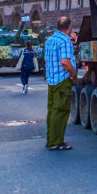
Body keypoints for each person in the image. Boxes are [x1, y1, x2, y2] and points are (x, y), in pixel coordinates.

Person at [43, 17, 76, 151]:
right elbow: (64, 61)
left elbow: (46, 58)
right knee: (61, 111)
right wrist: (73, 74)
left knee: (52, 110)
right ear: (69, 27)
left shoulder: (50, 40)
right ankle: (56, 142)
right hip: (62, 80)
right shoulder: (65, 40)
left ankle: (50, 139)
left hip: (51, 80)